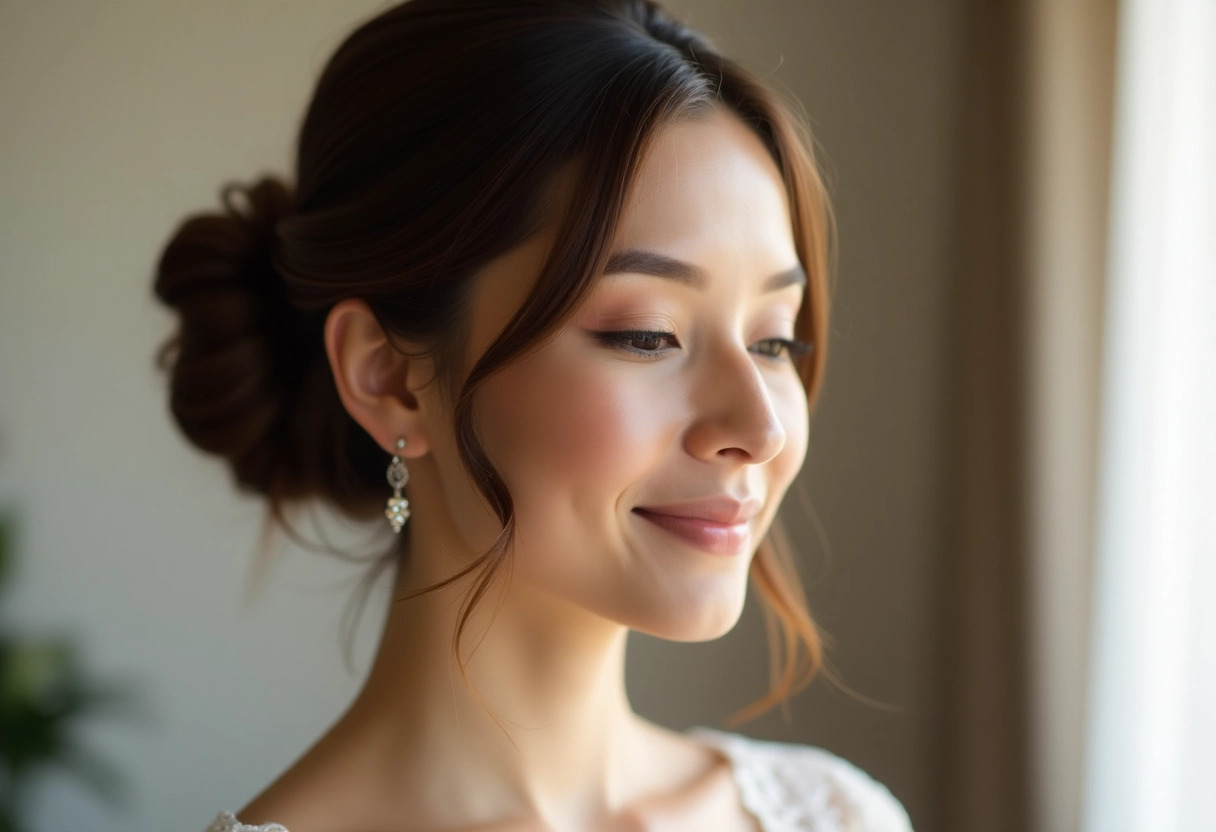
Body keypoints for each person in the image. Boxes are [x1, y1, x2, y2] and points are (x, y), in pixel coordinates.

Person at [152, 0, 914, 829]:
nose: (761, 428)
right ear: (389, 379)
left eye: (775, 341)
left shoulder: (837, 816)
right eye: (648, 335)